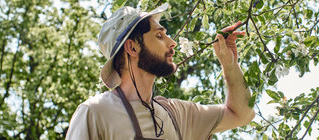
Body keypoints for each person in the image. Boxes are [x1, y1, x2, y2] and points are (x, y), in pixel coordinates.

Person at [66, 3, 254, 140]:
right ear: (132, 48)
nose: (172, 42)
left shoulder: (177, 114)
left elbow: (242, 114)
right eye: (159, 35)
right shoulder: (95, 112)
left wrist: (229, 64)